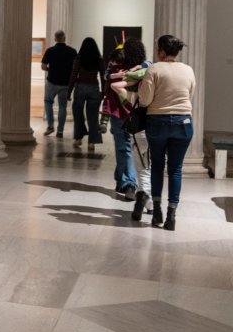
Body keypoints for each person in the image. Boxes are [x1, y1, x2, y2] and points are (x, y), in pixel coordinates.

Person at [137, 35, 195, 231]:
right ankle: (172, 216)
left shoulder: (154, 69)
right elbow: (189, 94)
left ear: (161, 50)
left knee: (157, 167)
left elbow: (144, 101)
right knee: (176, 169)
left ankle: (158, 212)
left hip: (158, 122)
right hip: (183, 123)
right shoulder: (188, 70)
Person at [103, 37, 147, 201]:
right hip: (136, 112)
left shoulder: (117, 69)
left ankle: (129, 183)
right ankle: (122, 179)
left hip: (121, 112)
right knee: (127, 148)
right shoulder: (144, 69)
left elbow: (108, 85)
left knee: (124, 147)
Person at [67, 37, 103, 152]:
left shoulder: (79, 58)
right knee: (93, 116)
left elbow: (73, 75)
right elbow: (103, 76)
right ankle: (92, 142)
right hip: (94, 87)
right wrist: (103, 92)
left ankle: (78, 138)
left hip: (80, 87)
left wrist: (69, 91)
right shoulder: (99, 59)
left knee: (78, 114)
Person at [41, 30, 77, 138]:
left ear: (55, 38)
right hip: (66, 84)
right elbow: (76, 67)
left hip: (52, 82)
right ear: (64, 38)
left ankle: (50, 126)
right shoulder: (72, 51)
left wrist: (51, 69)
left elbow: (43, 66)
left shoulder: (50, 50)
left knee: (48, 102)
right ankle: (60, 131)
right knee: (62, 106)